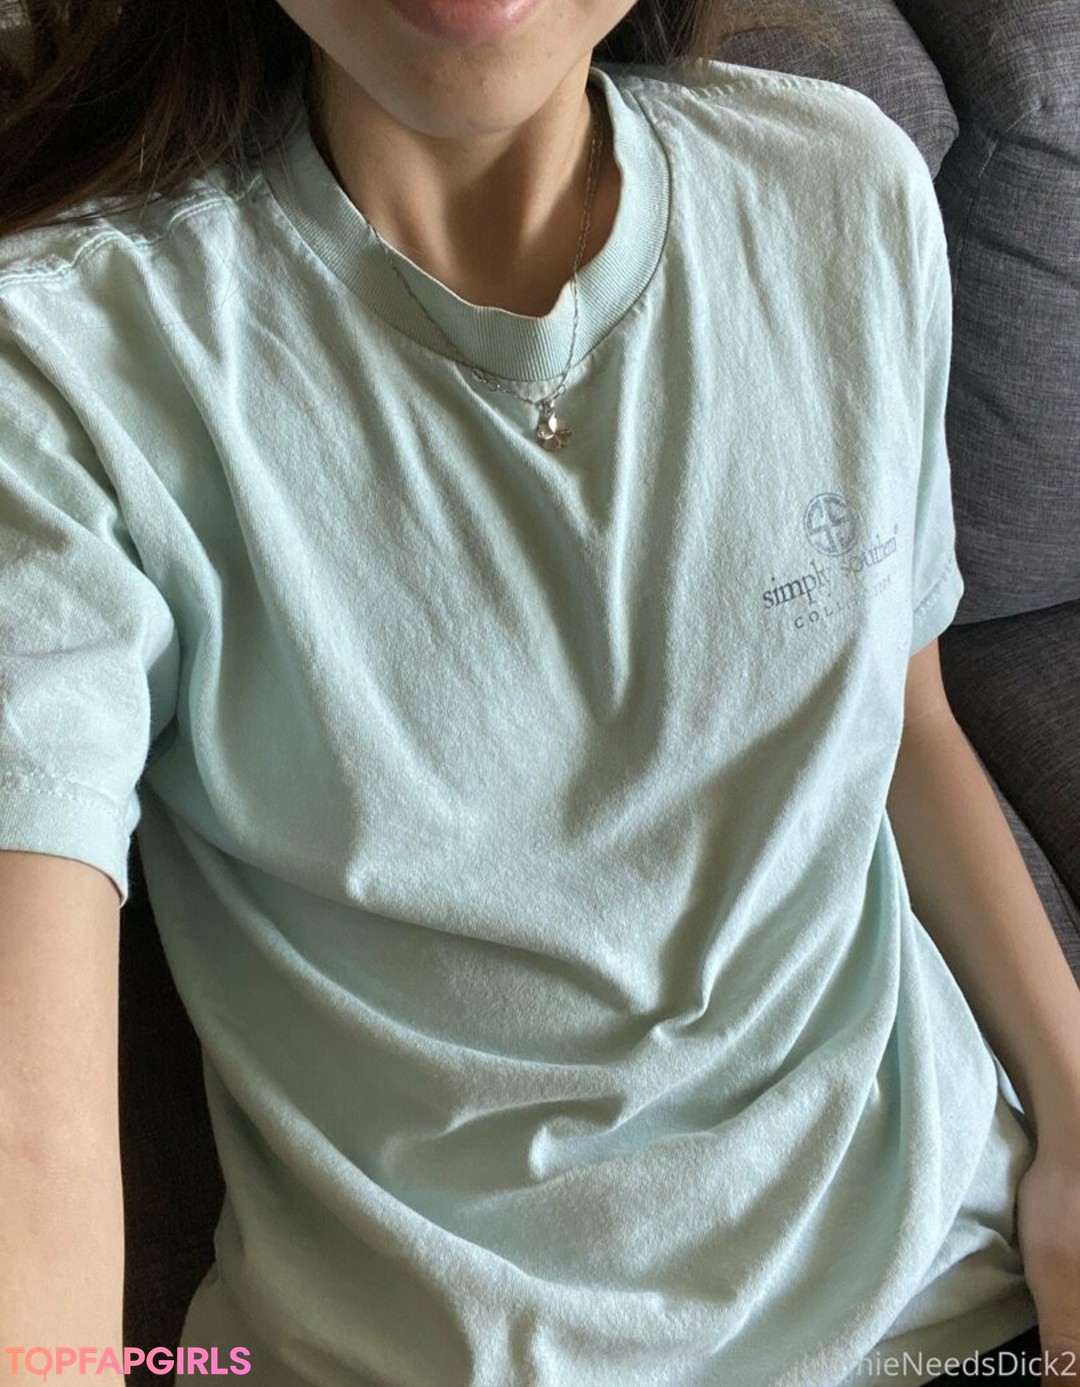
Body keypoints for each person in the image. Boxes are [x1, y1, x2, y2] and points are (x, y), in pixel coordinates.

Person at [0, 0, 1078, 1383]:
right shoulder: (67, 364)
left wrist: (1073, 1121)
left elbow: (907, 722)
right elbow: (33, 1147)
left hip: (949, 1301)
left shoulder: (846, 190)